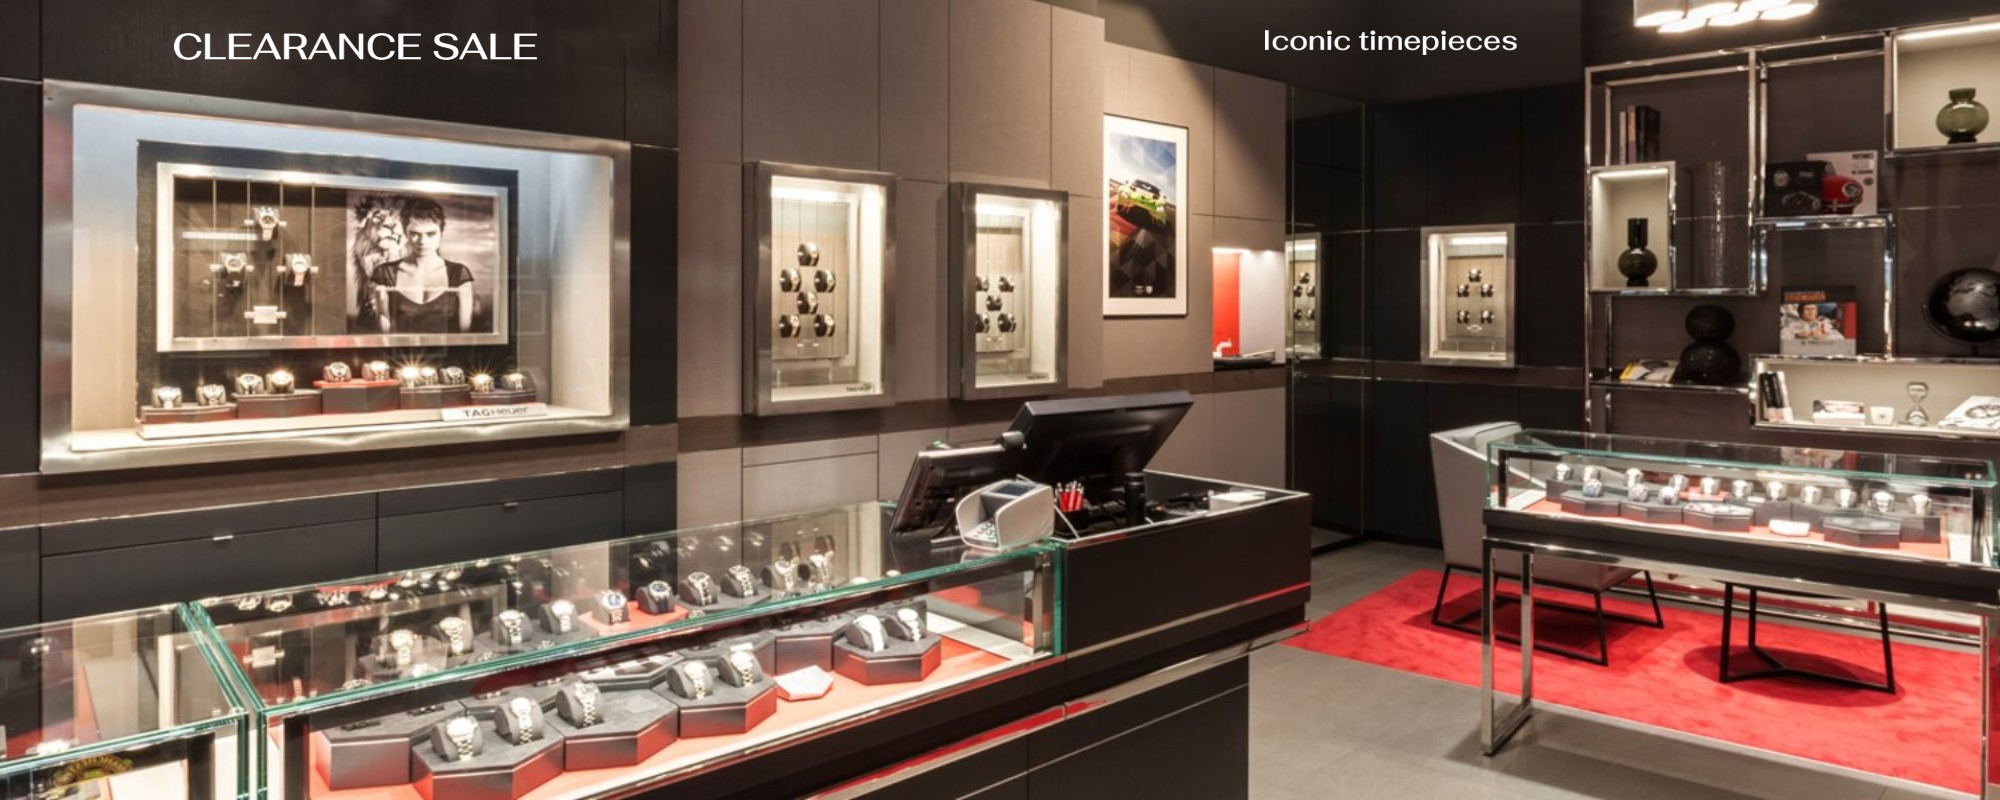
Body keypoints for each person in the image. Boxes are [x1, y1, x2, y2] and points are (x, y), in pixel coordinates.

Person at [368, 197, 476, 333]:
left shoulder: (459, 274)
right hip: (400, 347)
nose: (423, 241)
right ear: (405, 233)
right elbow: (384, 329)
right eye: (415, 234)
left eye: (431, 234)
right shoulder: (385, 273)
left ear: (441, 233)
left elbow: (465, 332)